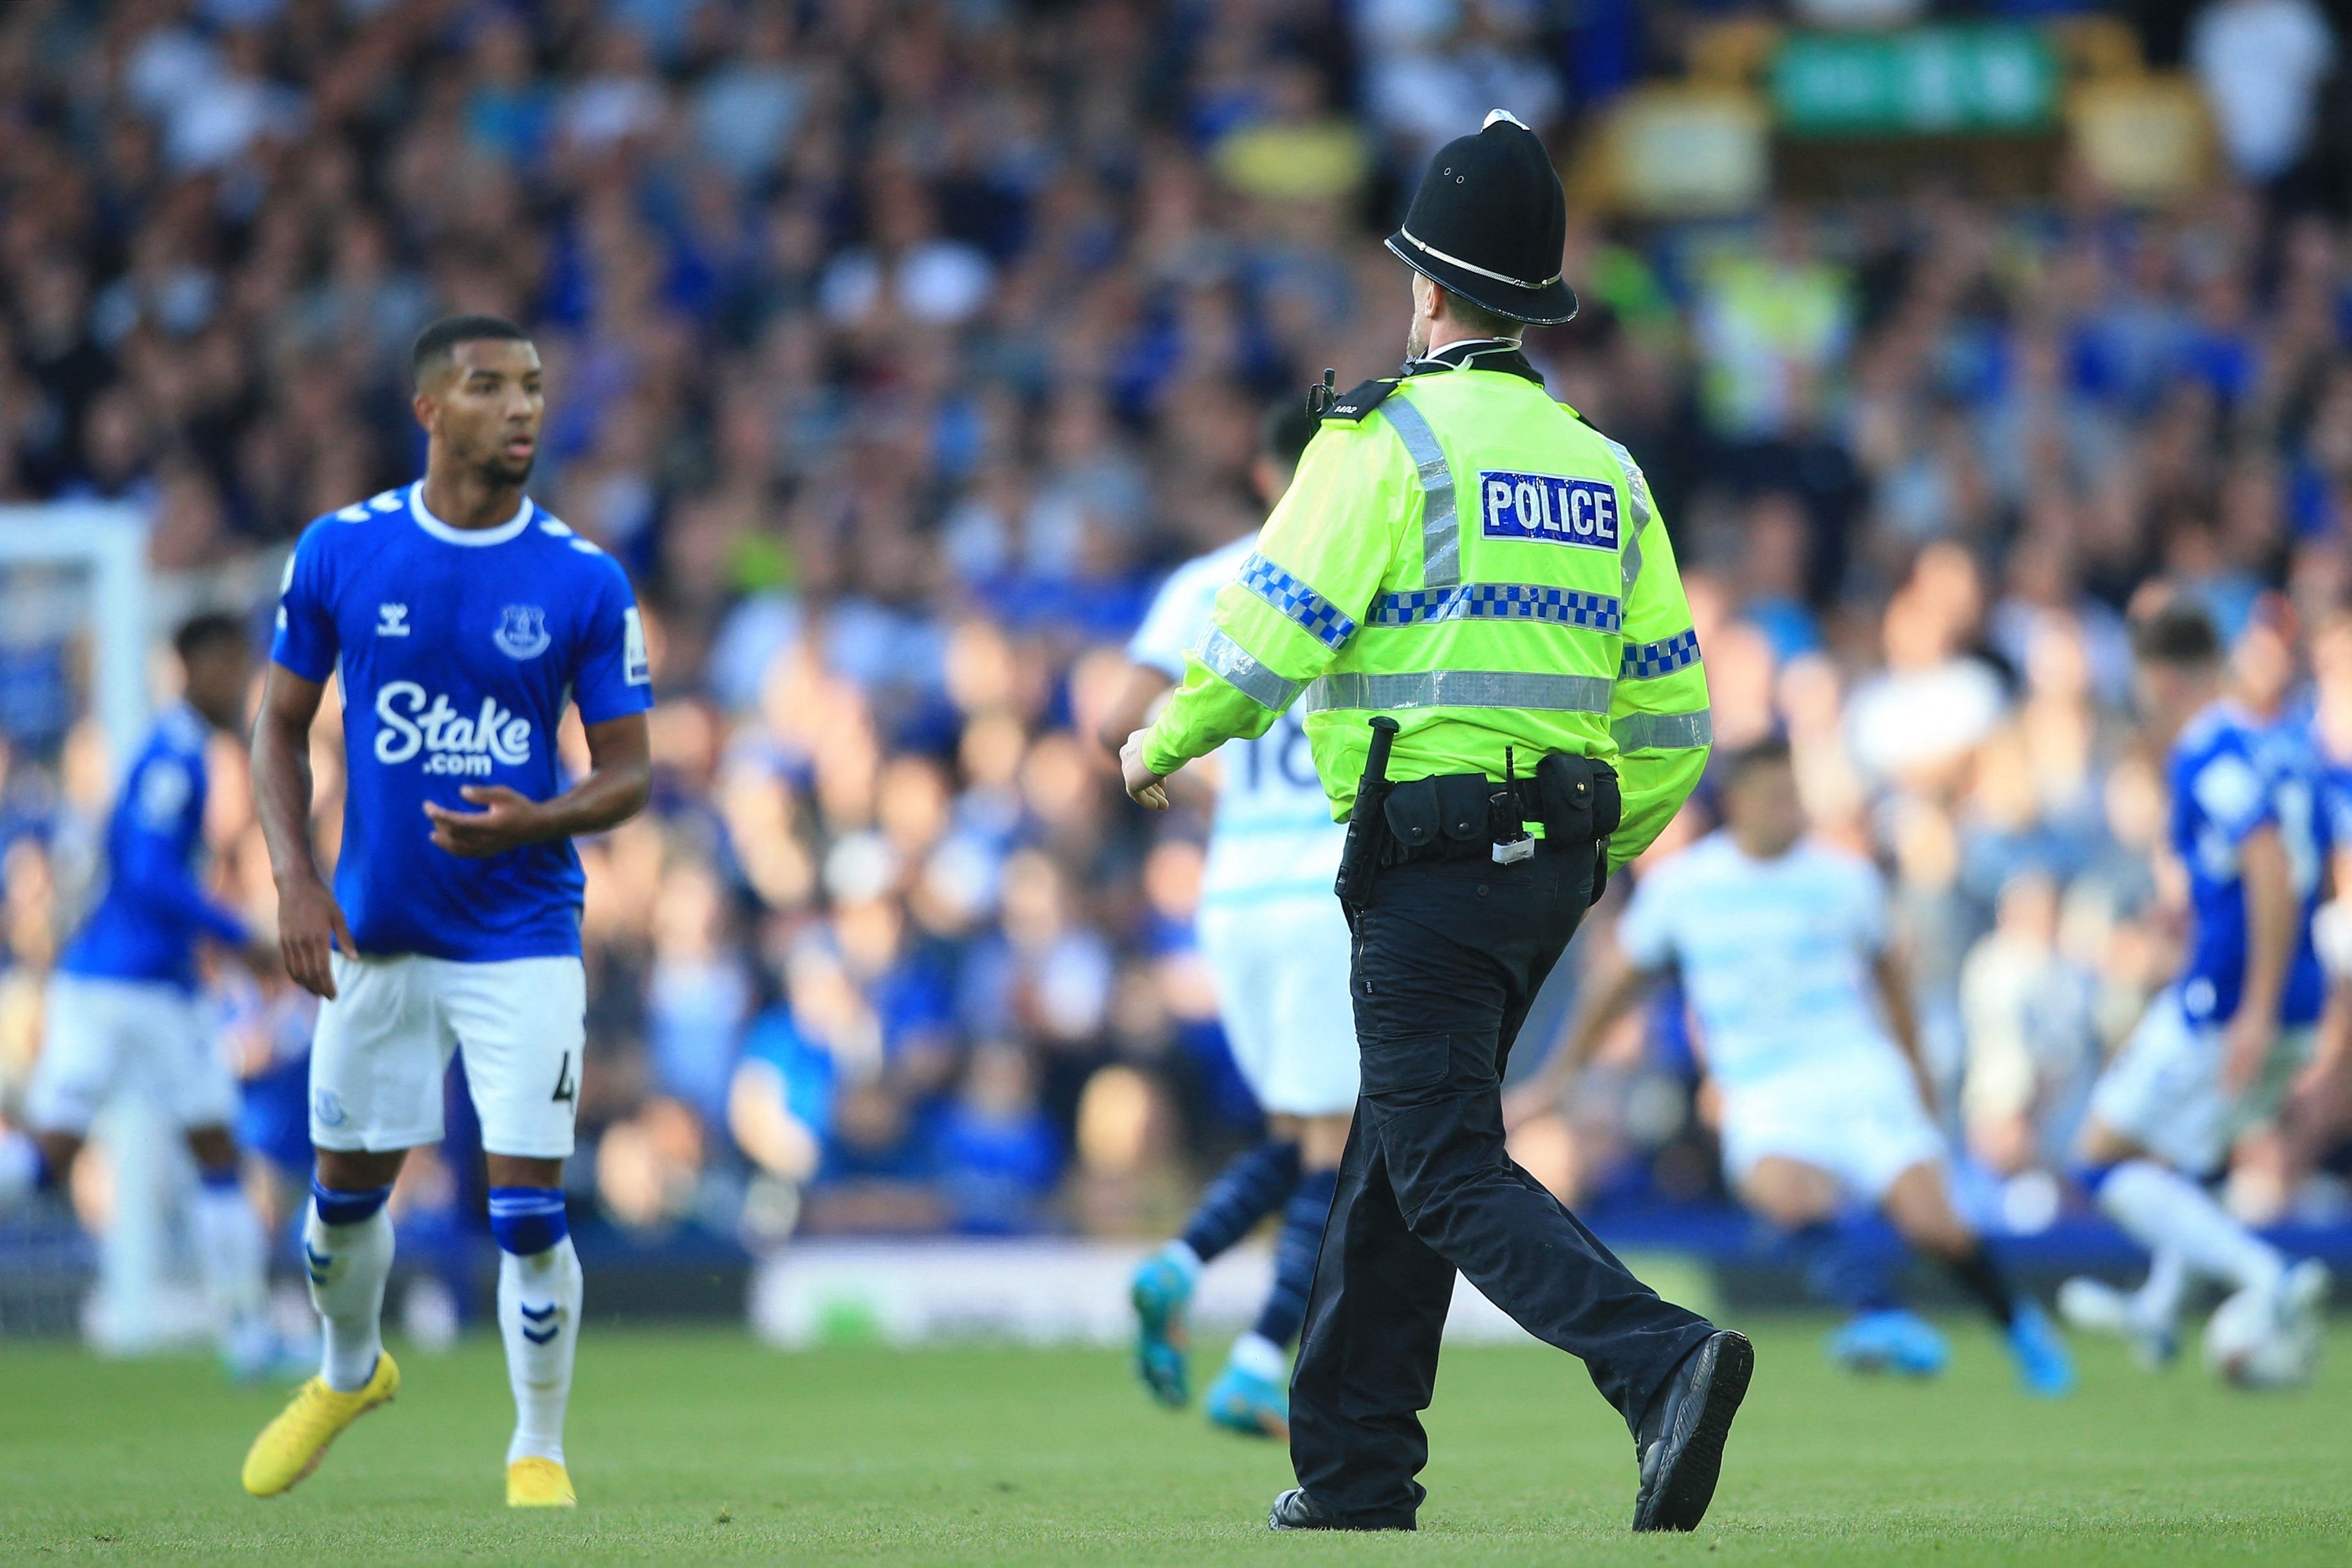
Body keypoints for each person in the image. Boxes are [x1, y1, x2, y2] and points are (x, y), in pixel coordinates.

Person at [1120, 111, 1744, 1535]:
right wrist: (1601, 852)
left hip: (1428, 860)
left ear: (1425, 287)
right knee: (1396, 1149)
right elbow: (1672, 719)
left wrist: (1161, 737)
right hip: (1551, 868)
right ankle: (1353, 1473)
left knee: (1440, 1160)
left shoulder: (1380, 441)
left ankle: (1660, 1362)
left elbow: (1265, 637)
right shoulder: (1606, 468)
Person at [239, 315, 654, 1508]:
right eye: (490, 386)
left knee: (528, 1210)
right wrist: (295, 879)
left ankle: (538, 1449)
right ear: (431, 410)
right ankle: (347, 1370)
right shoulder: (341, 551)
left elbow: (629, 772)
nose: (521, 406)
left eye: (532, 386)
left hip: (523, 934)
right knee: (341, 1209)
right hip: (377, 934)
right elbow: (275, 722)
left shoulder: (582, 576)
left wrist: (531, 820)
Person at [1506, 739, 2075, 1394]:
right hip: (1763, 1088)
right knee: (1775, 1187)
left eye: (1794, 794)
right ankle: (1882, 1314)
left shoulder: (1843, 878)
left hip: (1857, 1071)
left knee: (1934, 1226)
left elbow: (1891, 978)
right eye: (1775, 796)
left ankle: (2019, 1325)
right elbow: (1615, 987)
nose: (1789, 808)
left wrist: (1916, 1074)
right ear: (1739, 802)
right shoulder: (1685, 887)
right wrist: (1556, 1078)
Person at [1100, 400, 1350, 1439]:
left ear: (1262, 468)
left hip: (1235, 892)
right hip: (1331, 890)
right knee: (1345, 1151)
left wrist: (1219, 792)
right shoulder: (1366, 566)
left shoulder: (1204, 581)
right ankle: (1257, 1363)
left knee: (1298, 1137)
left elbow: (1119, 714)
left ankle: (1179, 1260)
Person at [0, 613, 292, 1378]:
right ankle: (250, 1341)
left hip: (106, 984)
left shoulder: (182, 752)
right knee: (215, 1152)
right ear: (190, 668)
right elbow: (149, 873)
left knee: (52, 1156)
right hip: (144, 991)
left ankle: (250, 1339)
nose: (240, 683)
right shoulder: (174, 756)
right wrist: (240, 936)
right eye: (228, 665)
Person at [2060, 600, 2330, 1365]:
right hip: (2294, 989)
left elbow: (2270, 862)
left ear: (2166, 676)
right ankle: (2157, 1307)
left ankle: (2266, 1275)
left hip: (2232, 994)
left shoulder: (2206, 754)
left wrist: (2253, 1006)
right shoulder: (2280, 743)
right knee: (2183, 1162)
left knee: (2102, 1158)